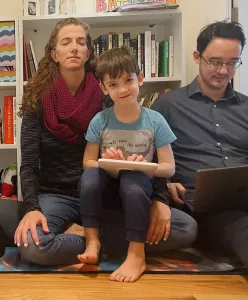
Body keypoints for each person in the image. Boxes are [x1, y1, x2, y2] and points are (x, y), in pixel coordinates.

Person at [14, 17, 197, 267]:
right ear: (54, 53)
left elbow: (145, 149)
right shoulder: (37, 99)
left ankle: (89, 237)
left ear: (89, 51)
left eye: (81, 42)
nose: (74, 47)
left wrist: (160, 199)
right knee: (34, 247)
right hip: (56, 194)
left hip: (108, 192)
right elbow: (28, 164)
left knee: (185, 227)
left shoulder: (108, 93)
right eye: (66, 42)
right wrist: (31, 208)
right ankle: (104, 240)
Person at [151, 21, 248, 269]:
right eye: (215, 62)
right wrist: (166, 184)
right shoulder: (167, 106)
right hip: (205, 209)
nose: (223, 71)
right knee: (241, 228)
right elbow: (147, 161)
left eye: (232, 62)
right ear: (197, 56)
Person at [78, 46, 176, 282]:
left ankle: (136, 254)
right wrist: (105, 161)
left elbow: (169, 167)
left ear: (140, 79)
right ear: (103, 88)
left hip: (137, 190)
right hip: (107, 192)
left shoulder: (155, 120)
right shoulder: (100, 120)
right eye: (113, 84)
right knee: (89, 178)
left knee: (133, 180)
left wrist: (145, 166)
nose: (122, 89)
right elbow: (87, 162)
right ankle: (92, 242)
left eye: (128, 80)